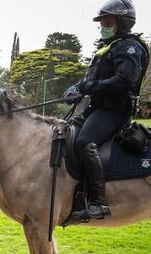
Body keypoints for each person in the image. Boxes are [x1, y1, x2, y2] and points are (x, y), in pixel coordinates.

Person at [63, 0, 148, 220]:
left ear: (122, 22)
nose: (103, 26)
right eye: (101, 22)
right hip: (96, 108)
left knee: (85, 142)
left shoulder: (130, 47)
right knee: (66, 136)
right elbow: (90, 80)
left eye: (107, 21)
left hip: (115, 110)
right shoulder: (107, 48)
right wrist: (75, 88)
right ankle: (76, 197)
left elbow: (124, 80)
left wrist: (87, 87)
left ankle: (99, 203)